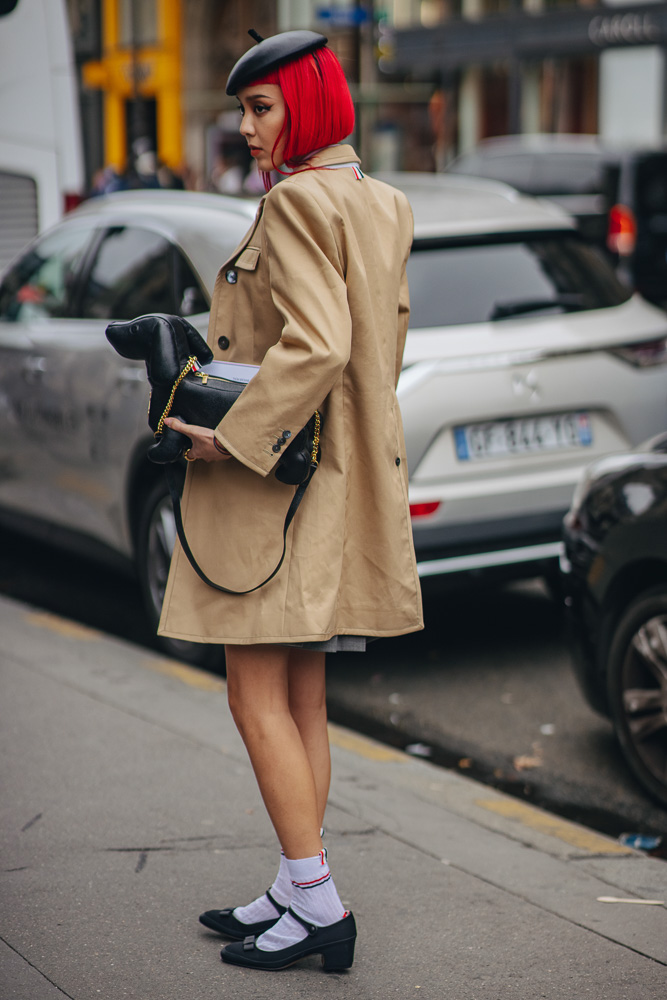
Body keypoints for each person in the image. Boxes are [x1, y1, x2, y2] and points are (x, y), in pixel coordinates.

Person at [158, 29, 423, 972]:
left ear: (305, 105)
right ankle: (293, 879)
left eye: (262, 108)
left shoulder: (299, 204)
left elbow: (314, 347)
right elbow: (369, 346)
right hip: (336, 479)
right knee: (302, 696)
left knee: (252, 692)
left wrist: (223, 430)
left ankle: (315, 901)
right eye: (242, 109)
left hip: (275, 487)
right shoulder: (379, 199)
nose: (246, 128)